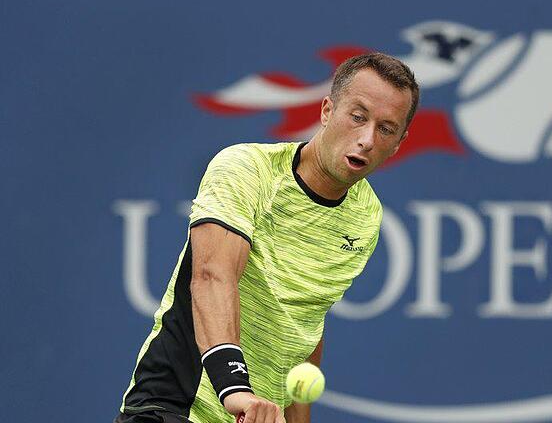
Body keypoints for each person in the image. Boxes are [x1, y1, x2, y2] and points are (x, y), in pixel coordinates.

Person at [115, 52, 420, 423]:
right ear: (327, 111)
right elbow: (213, 277)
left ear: (400, 142)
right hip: (174, 407)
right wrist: (234, 390)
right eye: (357, 117)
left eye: (386, 129)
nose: (367, 139)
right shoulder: (245, 170)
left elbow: (306, 323)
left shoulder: (366, 217)